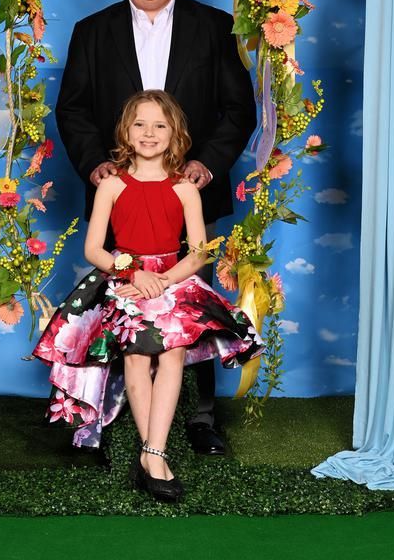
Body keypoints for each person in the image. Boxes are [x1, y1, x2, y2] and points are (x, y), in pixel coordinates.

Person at [55, 0, 256, 454]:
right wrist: (96, 166)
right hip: (121, 196)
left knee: (192, 306)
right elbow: (72, 110)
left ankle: (201, 418)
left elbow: (239, 110)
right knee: (117, 309)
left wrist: (207, 165)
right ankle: (106, 414)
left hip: (190, 192)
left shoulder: (216, 26)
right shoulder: (92, 31)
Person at [32, 91, 264, 502]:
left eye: (160, 125)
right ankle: (152, 455)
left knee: (172, 353)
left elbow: (198, 252)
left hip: (173, 281)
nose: (149, 133)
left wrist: (164, 280)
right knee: (137, 356)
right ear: (125, 131)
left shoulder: (185, 188)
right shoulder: (111, 185)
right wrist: (134, 274)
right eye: (140, 124)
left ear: (175, 134)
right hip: (125, 280)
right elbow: (93, 249)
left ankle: (152, 454)